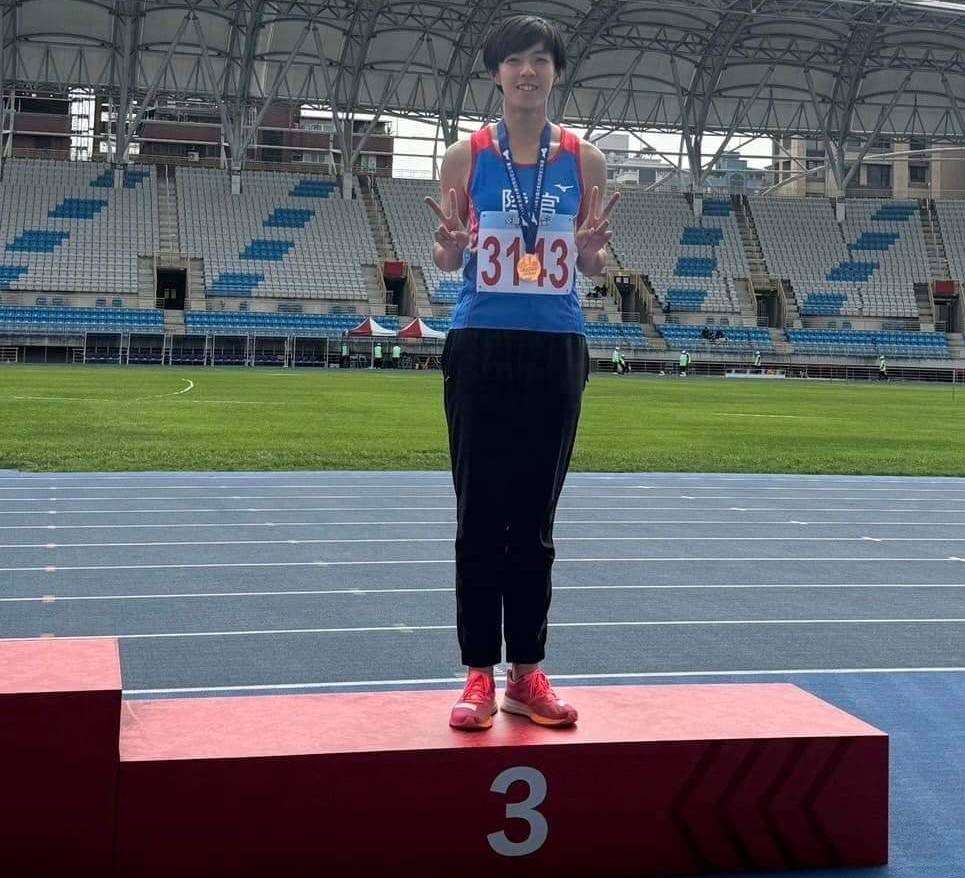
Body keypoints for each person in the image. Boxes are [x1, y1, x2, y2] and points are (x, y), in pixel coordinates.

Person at [426, 14, 618, 731]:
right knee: (479, 516)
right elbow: (448, 256)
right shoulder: (466, 155)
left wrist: (593, 251)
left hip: (555, 343)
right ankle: (478, 673)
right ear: (495, 74)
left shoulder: (585, 159)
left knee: (534, 521)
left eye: (539, 59)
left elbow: (592, 264)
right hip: (480, 340)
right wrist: (450, 246)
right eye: (514, 61)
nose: (526, 72)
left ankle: (526, 673)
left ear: (556, 72)